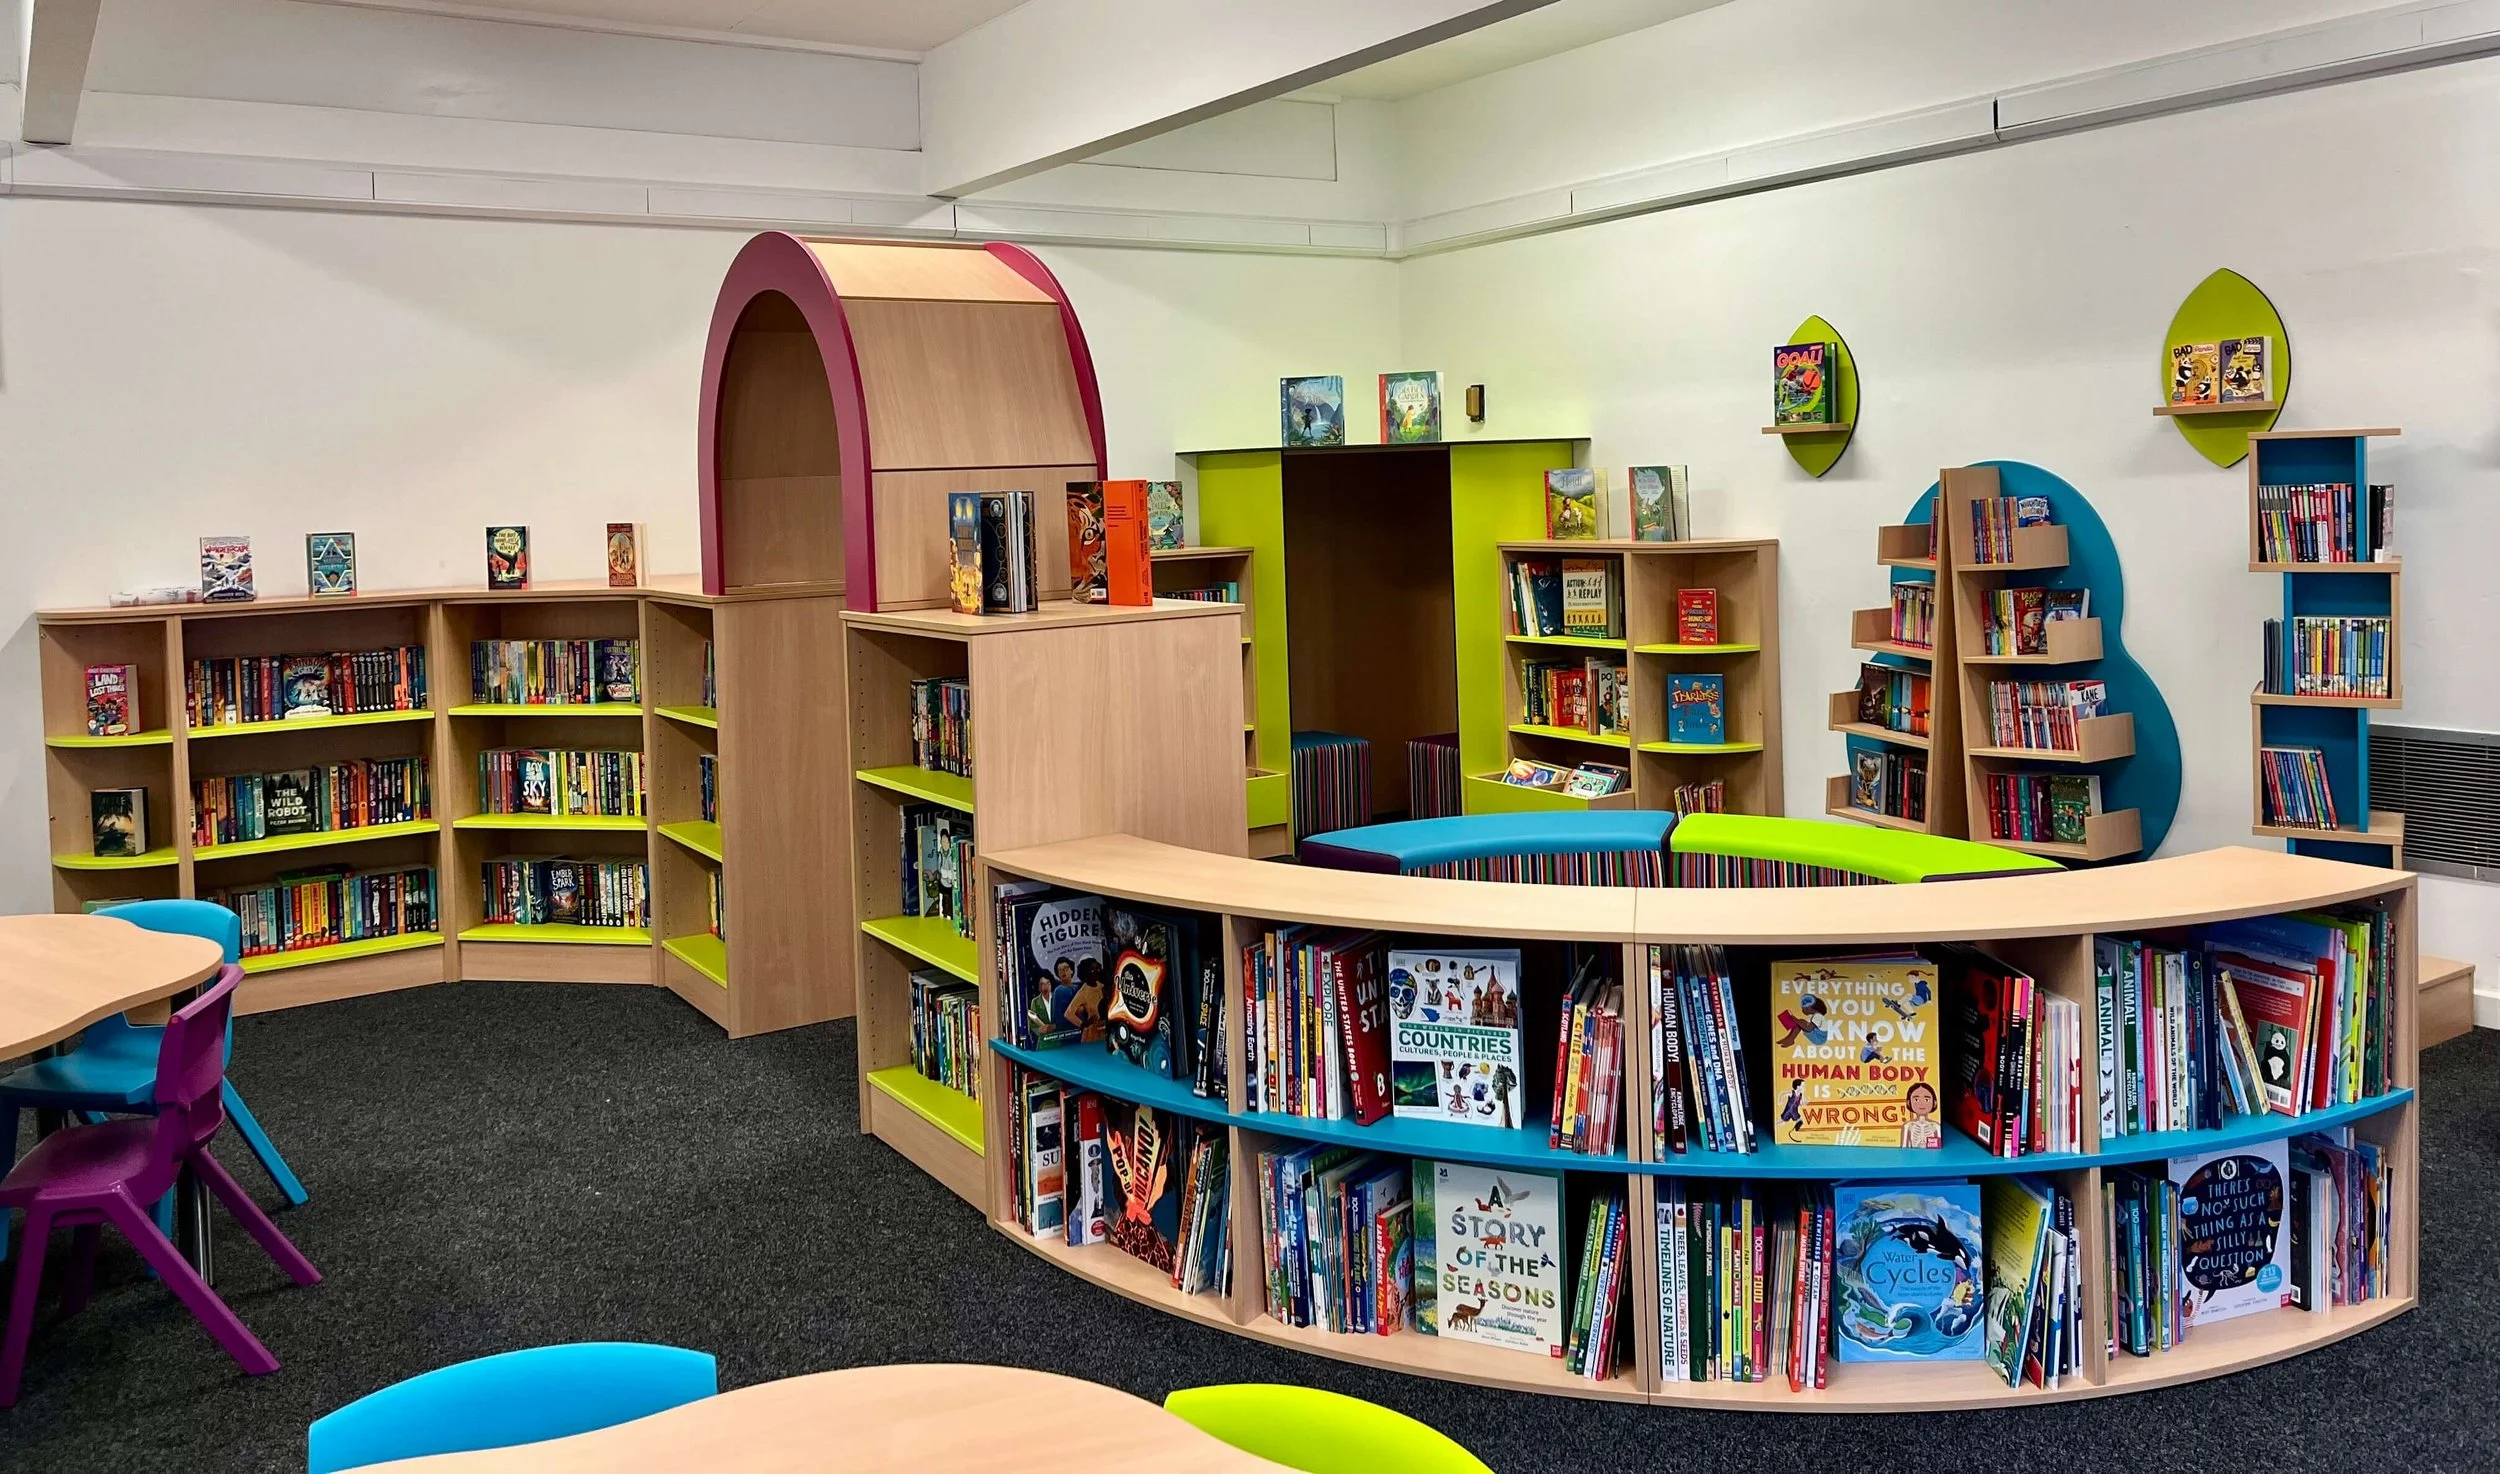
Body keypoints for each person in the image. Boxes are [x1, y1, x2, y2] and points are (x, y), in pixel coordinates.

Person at [1899, 1080, 1943, 1149]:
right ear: (1908, 1102)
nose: (1921, 1103)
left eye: (1926, 1100)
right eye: (1916, 1099)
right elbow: (1904, 1148)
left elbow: (1936, 1148)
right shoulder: (1907, 1126)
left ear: (1934, 1102)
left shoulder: (1936, 1126)